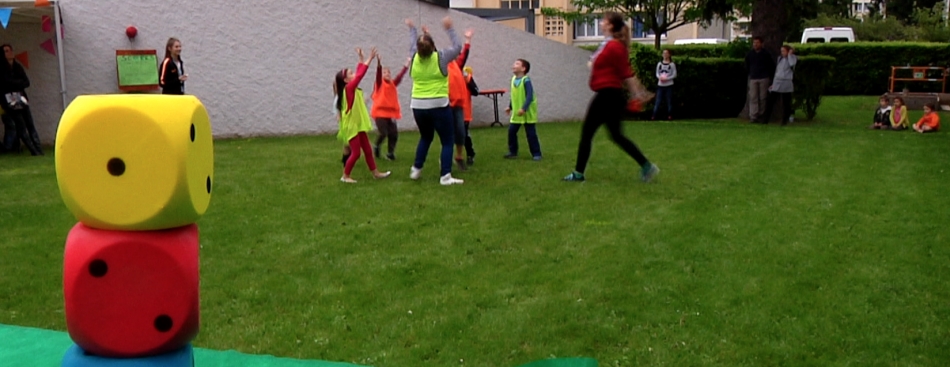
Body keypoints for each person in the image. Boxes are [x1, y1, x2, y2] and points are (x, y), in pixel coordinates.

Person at [563, 12, 659, 183]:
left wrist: (638, 94)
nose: (601, 23)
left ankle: (578, 174)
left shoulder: (614, 47)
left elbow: (626, 74)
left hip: (607, 96)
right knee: (616, 136)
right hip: (611, 96)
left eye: (604, 21)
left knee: (587, 134)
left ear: (610, 25)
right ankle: (646, 166)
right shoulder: (609, 45)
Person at [405, 17, 466, 186]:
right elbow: (457, 47)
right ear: (433, 46)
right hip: (438, 105)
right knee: (447, 140)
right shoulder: (441, 57)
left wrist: (412, 29)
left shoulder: (413, 57)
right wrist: (449, 28)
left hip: (418, 105)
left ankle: (416, 169)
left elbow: (413, 43)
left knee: (425, 137)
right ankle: (445, 175)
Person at [334, 47, 392, 183]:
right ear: (346, 80)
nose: (354, 74)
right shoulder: (349, 89)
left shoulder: (350, 88)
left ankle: (376, 173)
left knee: (367, 149)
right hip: (352, 127)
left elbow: (358, 73)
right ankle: (345, 176)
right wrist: (369, 59)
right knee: (356, 153)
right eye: (350, 73)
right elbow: (360, 75)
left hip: (357, 125)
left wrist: (361, 59)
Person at [0, 44, 42, 155]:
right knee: (20, 126)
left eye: (10, 50)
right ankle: (34, 151)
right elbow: (5, 84)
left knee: (30, 123)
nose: (9, 53)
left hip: (22, 98)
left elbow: (26, 82)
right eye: (6, 51)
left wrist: (15, 84)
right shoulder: (2, 69)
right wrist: (17, 84)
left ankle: (39, 148)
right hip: (10, 101)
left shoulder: (17, 66)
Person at [371, 54, 409, 161]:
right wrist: (379, 65)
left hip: (391, 114)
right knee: (383, 133)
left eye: (388, 72)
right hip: (380, 113)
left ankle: (390, 153)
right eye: (384, 72)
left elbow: (399, 77)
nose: (387, 74)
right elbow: (378, 76)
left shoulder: (393, 83)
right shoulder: (379, 84)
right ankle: (377, 146)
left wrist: (406, 66)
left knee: (394, 134)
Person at [504, 59, 541, 160]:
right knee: (511, 132)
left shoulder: (526, 80)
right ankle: (513, 152)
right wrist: (510, 107)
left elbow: (529, 96)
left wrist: (524, 108)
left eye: (517, 64)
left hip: (527, 113)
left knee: (531, 134)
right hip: (517, 113)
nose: (514, 65)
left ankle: (536, 154)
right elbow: (514, 95)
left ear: (523, 68)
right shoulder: (513, 80)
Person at [448, 30, 474, 171]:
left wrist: (467, 40)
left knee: (460, 132)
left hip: (458, 106)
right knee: (447, 134)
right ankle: (445, 158)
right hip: (445, 105)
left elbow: (464, 55)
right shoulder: (441, 66)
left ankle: (459, 157)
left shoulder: (456, 65)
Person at [764, 45, 796, 125]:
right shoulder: (779, 59)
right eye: (781, 51)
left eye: (784, 51)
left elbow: (792, 64)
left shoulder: (792, 58)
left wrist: (789, 55)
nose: (782, 53)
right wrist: (773, 83)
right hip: (778, 81)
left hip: (786, 82)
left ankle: (784, 120)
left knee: (786, 102)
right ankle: (765, 119)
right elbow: (777, 71)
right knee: (771, 101)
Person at [745, 37, 774, 124]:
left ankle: (761, 115)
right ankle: (753, 116)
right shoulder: (750, 54)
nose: (755, 44)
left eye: (757, 43)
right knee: (753, 97)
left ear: (761, 44)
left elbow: (771, 66)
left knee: (762, 98)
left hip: (763, 77)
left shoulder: (766, 54)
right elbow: (747, 65)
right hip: (753, 77)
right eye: (754, 43)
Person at [652, 49, 676, 121]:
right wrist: (660, 77)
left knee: (669, 101)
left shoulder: (672, 64)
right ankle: (654, 115)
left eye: (666, 53)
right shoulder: (659, 64)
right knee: (658, 101)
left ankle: (670, 115)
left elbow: (674, 74)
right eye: (664, 53)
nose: (665, 55)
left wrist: (667, 78)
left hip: (669, 85)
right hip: (660, 85)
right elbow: (657, 73)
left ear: (669, 55)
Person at [463, 66, 478, 165]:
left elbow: (475, 91)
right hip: (449, 110)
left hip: (464, 112)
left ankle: (470, 154)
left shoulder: (466, 76)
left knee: (464, 135)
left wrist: (467, 79)